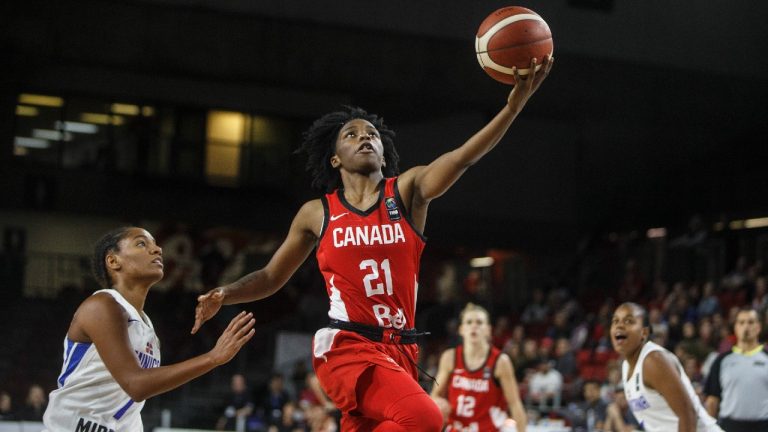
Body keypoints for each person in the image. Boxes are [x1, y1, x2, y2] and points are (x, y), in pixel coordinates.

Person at [192, 55, 554, 431]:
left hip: (401, 351)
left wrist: (512, 108)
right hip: (348, 346)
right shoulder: (317, 213)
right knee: (427, 417)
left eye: (372, 134)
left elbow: (462, 159)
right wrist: (226, 293)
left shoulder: (408, 191)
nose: (365, 137)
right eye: (352, 134)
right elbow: (271, 276)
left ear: (384, 152)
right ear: (335, 159)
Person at [43, 227, 256, 432]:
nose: (158, 249)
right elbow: (135, 385)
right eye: (142, 244)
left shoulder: (146, 327)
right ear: (113, 260)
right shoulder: (102, 305)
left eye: (155, 244)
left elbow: (131, 400)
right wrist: (212, 358)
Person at [610, 302, 722, 432]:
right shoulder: (626, 366)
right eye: (615, 321)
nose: (619, 325)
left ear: (644, 332)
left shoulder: (653, 361)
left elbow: (687, 414)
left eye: (629, 321)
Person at [430, 303, 527, 431]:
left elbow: (515, 404)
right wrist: (439, 404)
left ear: (488, 330)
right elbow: (434, 395)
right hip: (456, 428)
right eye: (469, 322)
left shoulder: (500, 362)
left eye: (479, 322)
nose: (474, 326)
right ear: (461, 329)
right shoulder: (450, 357)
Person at [703, 307, 768, 432]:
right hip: (729, 426)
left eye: (750, 322)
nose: (746, 327)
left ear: (758, 327)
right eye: (741, 322)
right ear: (736, 328)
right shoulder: (721, 361)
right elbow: (712, 400)